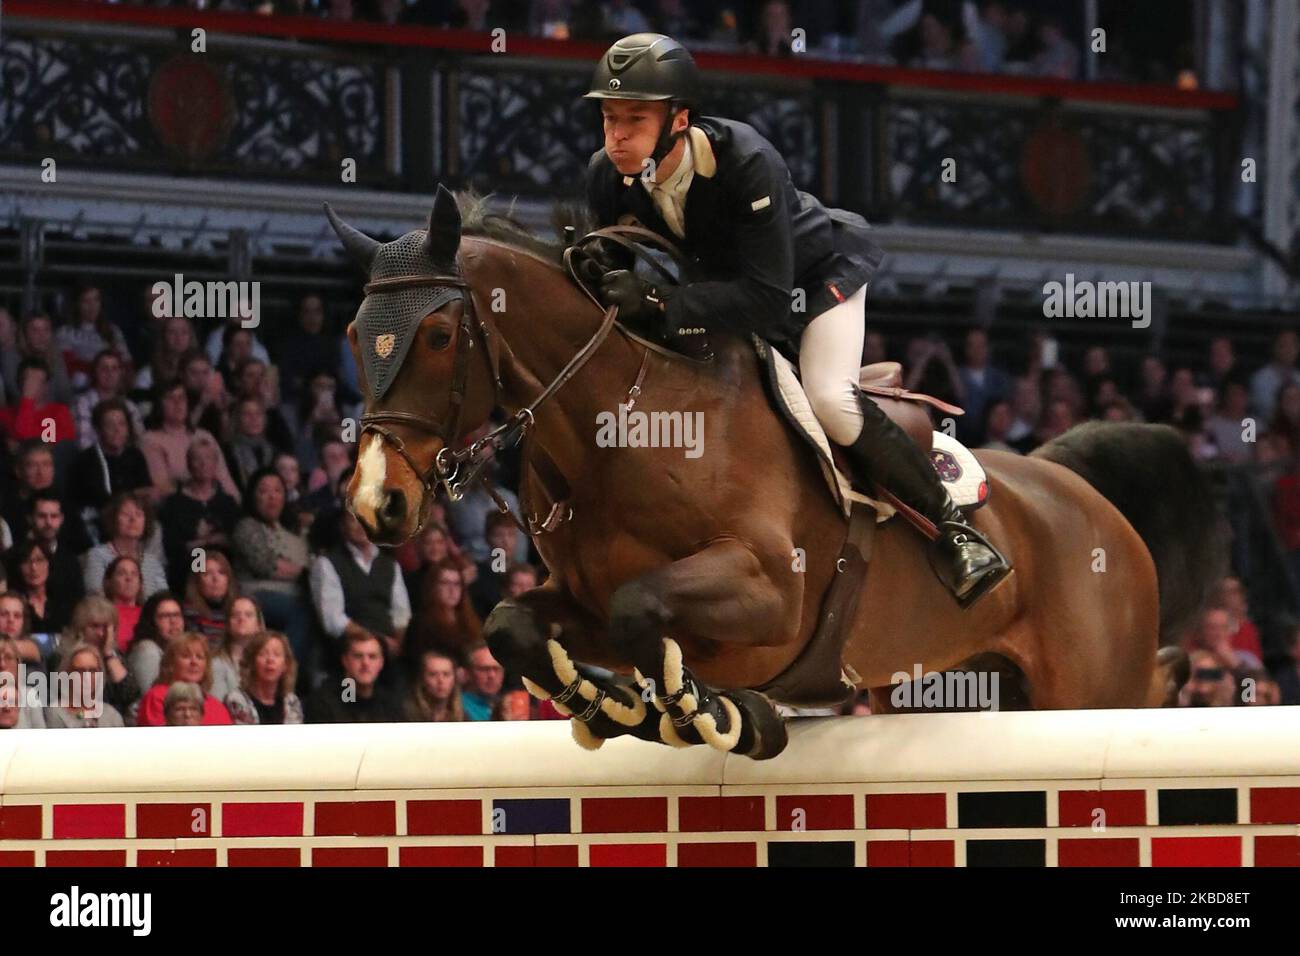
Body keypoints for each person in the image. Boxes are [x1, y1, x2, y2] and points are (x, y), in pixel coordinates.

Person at [582, 33, 1008, 607]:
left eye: (635, 119)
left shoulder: (746, 163)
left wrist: (659, 302)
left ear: (679, 119)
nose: (617, 136)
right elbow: (616, 261)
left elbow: (765, 299)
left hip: (813, 280)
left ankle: (955, 529)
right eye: (609, 118)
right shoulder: (607, 174)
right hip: (727, 293)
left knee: (828, 397)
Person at [309, 508, 411, 668]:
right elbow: (333, 620)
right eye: (354, 519)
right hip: (348, 653)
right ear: (343, 525)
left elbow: (401, 614)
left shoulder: (390, 565)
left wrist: (396, 645)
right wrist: (377, 642)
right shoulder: (327, 563)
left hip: (388, 653)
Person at [231, 468, 312, 669]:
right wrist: (305, 573)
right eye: (264, 491)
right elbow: (265, 564)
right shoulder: (247, 527)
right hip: (257, 596)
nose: (272, 497)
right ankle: (284, 668)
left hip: (296, 596)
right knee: (303, 610)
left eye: (277, 491)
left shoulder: (295, 535)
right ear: (253, 496)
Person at [159, 437, 242, 591]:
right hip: (186, 574)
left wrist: (200, 542)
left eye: (209, 458)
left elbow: (236, 540)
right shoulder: (174, 503)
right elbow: (173, 547)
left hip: (225, 574)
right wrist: (208, 541)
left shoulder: (228, 503)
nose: (204, 464)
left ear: (216, 464)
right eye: (197, 459)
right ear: (189, 464)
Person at [139, 380, 239, 499]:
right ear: (159, 405)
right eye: (170, 398)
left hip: (216, 501)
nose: (177, 403)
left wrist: (236, 501)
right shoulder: (150, 440)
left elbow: (224, 477)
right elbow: (163, 487)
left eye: (182, 397)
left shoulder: (204, 436)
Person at [66, 399, 154, 524]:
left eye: (122, 424)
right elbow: (95, 502)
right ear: (98, 430)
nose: (117, 430)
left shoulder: (135, 456)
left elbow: (146, 492)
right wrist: (132, 495)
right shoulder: (85, 462)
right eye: (110, 425)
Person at [57, 595, 140, 716]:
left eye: (106, 627)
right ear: (81, 627)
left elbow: (130, 695)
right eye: (95, 626)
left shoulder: (115, 656)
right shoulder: (64, 656)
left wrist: (108, 654)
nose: (101, 633)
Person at [135, 632, 233, 726]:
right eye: (186, 656)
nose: (194, 662)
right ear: (171, 663)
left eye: (199, 657)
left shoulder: (217, 707)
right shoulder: (157, 697)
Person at [304, 632, 403, 723]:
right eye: (358, 656)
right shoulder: (324, 703)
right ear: (345, 661)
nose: (365, 663)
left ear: (381, 663)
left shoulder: (390, 703)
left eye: (372, 656)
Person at [81, 494, 168, 599]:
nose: (133, 519)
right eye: (126, 514)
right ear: (113, 519)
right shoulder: (97, 556)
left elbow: (163, 598)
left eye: (139, 514)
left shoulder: (152, 562)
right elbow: (95, 595)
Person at [406, 559, 481, 667]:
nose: (452, 590)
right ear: (434, 587)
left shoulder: (472, 621)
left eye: (457, 584)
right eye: (445, 583)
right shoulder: (420, 624)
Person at [56, 282, 130, 385]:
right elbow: (67, 367)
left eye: (96, 300)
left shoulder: (113, 331)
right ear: (77, 304)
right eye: (86, 301)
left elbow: (125, 363)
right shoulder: (65, 332)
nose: (92, 306)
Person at [224, 630, 304, 725]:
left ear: (285, 665)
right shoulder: (236, 700)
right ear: (252, 662)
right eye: (263, 654)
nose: (270, 659)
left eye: (277, 654)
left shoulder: (291, 702)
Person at [72, 350, 145, 449]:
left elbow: (141, 442)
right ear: (95, 372)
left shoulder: (129, 406)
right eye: (104, 368)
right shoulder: (83, 403)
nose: (109, 373)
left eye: (114, 369)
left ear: (120, 373)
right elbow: (84, 445)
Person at [24, 493, 85, 611]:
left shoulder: (70, 560)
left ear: (61, 519)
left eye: (54, 516)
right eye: (42, 516)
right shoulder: (13, 557)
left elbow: (78, 603)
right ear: (30, 518)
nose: (48, 522)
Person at [44, 642, 125, 728]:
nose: (86, 677)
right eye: (79, 671)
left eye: (93, 671)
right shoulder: (54, 713)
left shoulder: (112, 715)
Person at [2, 312, 73, 406]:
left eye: (46, 330)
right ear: (24, 334)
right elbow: (17, 394)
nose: (42, 336)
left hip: (52, 414)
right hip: (22, 412)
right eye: (35, 330)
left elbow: (65, 393)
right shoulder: (10, 356)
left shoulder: (55, 354)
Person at [126, 591, 186, 694]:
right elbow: (151, 695)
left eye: (177, 615)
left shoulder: (185, 650)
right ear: (151, 622)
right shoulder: (147, 650)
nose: (173, 621)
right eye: (165, 616)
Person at [8, 540, 70, 637]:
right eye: (27, 561)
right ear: (19, 568)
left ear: (48, 563)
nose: (34, 568)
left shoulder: (62, 601)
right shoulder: (13, 603)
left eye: (39, 560)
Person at [209, 595, 264, 701]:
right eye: (235, 615)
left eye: (248, 615)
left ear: (258, 625)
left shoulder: (267, 661)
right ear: (228, 624)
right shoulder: (216, 664)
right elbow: (218, 706)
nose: (241, 619)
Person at [181, 550, 240, 648]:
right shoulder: (188, 614)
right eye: (207, 573)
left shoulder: (240, 610)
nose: (215, 579)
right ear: (197, 581)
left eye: (221, 573)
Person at [1250, 330, 1300, 423]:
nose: (1289, 349)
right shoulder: (1260, 379)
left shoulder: (1298, 377)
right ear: (1275, 347)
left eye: (1293, 345)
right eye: (1284, 345)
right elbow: (1264, 412)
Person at [403, 648, 465, 722]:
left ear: (454, 678)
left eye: (446, 674)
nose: (440, 681)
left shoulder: (463, 717)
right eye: (433, 674)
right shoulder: (407, 715)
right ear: (422, 679)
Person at [102, 555, 145, 649]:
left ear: (140, 583)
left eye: (134, 574)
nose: (129, 578)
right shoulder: (101, 615)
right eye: (121, 573)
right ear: (109, 582)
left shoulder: (149, 614)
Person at [461, 642, 504, 721]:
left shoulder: (507, 705)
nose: (491, 675)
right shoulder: (457, 708)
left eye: (496, 669)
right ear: (469, 672)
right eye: (484, 669)